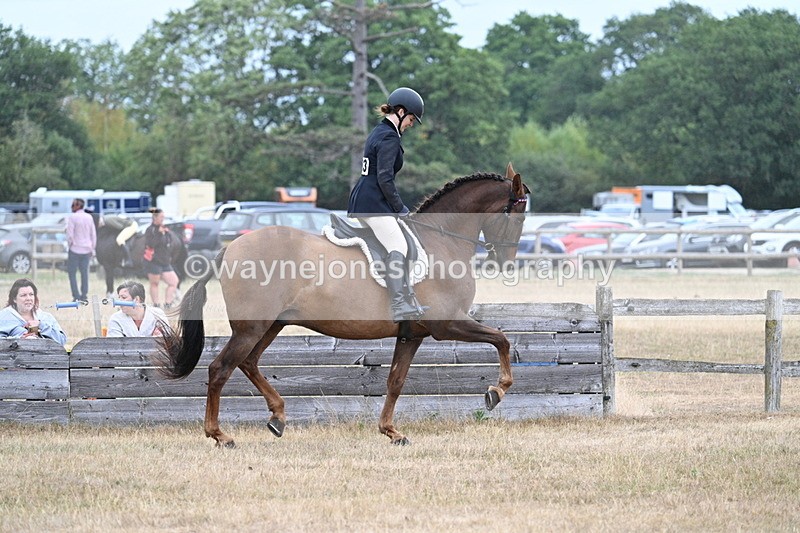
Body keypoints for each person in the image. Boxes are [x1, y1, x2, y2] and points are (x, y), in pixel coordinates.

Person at [347, 87, 428, 322]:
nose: (411, 124)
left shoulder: (379, 131)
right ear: (401, 112)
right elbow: (384, 177)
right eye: (411, 119)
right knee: (398, 246)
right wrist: (400, 208)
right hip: (372, 203)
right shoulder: (389, 137)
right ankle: (399, 304)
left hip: (364, 200)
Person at [0, 278, 67, 345]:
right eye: (23, 295)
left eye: (31, 294)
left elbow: (62, 341)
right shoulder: (4, 316)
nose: (28, 298)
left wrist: (41, 326)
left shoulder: (45, 317)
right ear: (14, 299)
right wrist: (20, 339)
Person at [143, 208, 179, 309]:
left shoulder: (164, 229)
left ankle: (168, 304)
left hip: (165, 262)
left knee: (174, 282)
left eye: (163, 217)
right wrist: (159, 234)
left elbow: (169, 243)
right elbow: (151, 244)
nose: (163, 219)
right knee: (155, 283)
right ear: (155, 217)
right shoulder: (150, 230)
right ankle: (156, 306)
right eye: (161, 217)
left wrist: (165, 234)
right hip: (153, 262)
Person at [66, 198, 96, 304]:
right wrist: (92, 248)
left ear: (76, 206)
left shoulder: (72, 217)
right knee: (84, 274)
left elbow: (70, 234)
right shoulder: (89, 217)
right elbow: (93, 234)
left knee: (72, 274)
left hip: (75, 249)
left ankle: (76, 296)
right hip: (86, 249)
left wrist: (70, 245)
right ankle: (84, 295)